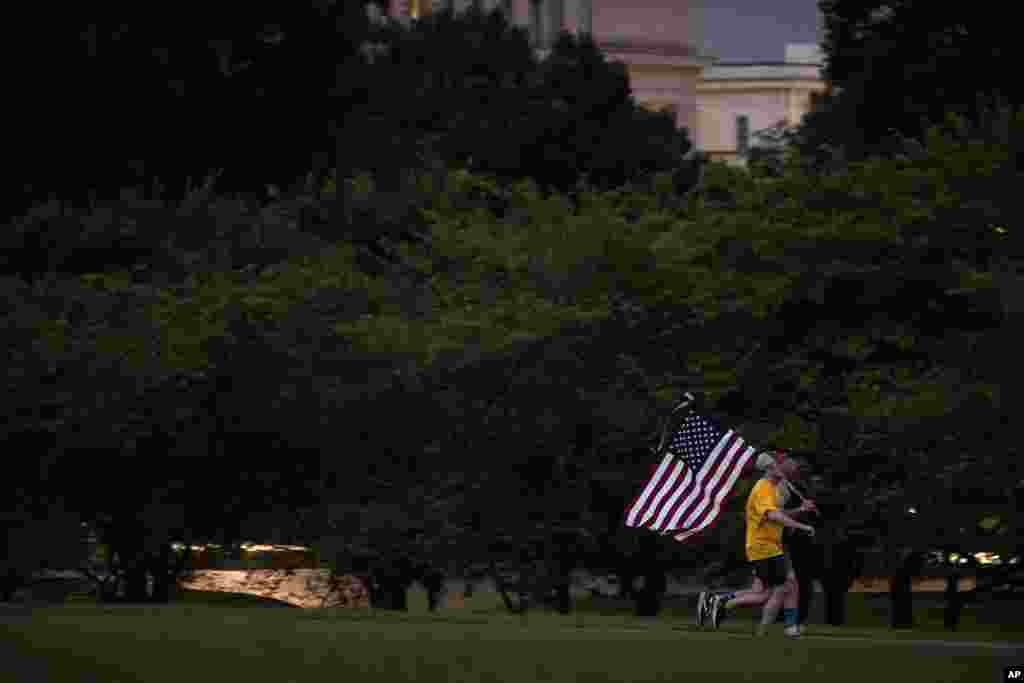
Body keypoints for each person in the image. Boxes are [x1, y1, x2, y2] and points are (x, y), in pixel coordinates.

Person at [696, 452, 816, 637]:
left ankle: (718, 602)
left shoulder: (776, 487)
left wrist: (800, 510)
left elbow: (779, 514)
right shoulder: (765, 488)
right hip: (765, 546)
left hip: (769, 544)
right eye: (787, 463)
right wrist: (801, 525)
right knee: (784, 586)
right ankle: (776, 629)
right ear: (773, 467)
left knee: (764, 591)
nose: (795, 467)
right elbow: (774, 516)